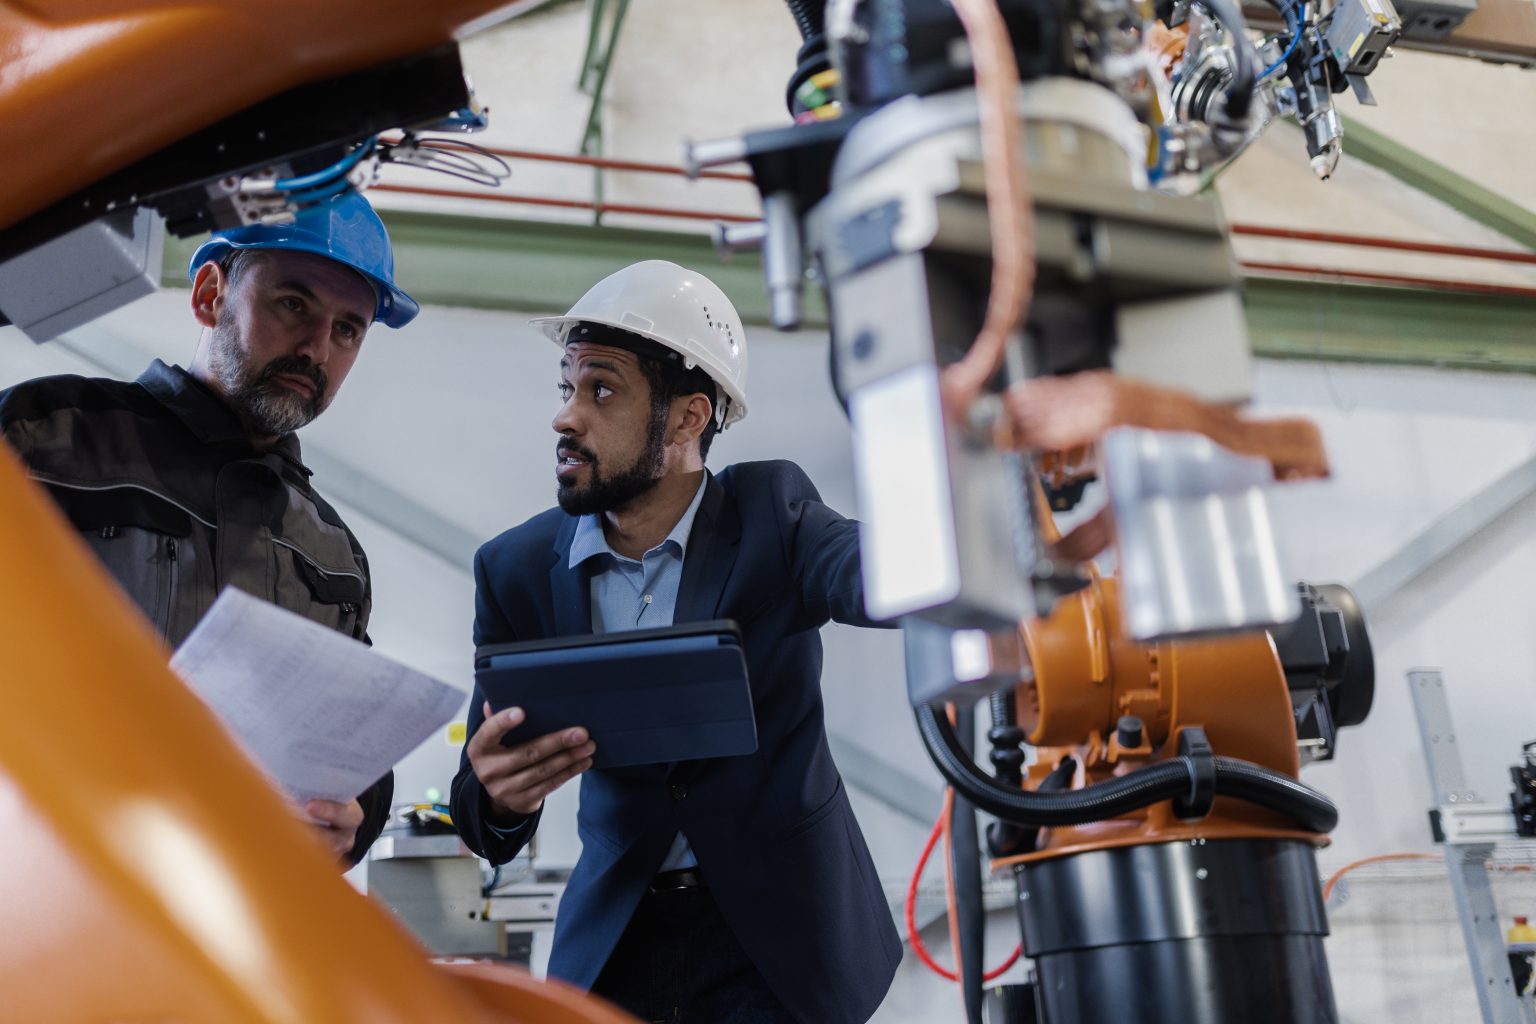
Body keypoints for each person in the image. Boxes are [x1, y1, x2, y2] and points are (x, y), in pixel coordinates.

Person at [451, 260, 901, 1024]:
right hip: (621, 949)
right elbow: (481, 802)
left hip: (781, 947)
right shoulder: (518, 570)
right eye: (567, 387)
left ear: (690, 417)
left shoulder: (774, 516)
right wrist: (496, 795)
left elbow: (878, 574)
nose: (566, 417)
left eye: (602, 389)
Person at [0, 190, 417, 868]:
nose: (317, 349)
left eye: (348, 330)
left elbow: (348, 752)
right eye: (293, 304)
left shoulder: (332, 553)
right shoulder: (45, 437)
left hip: (227, 922)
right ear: (208, 294)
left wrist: (354, 822)